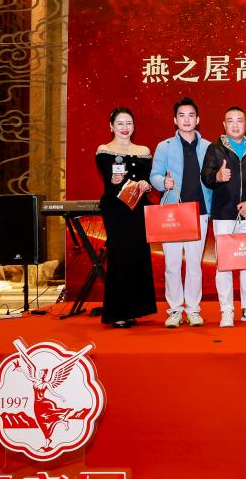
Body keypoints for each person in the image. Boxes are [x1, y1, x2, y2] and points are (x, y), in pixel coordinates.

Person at [150, 97, 213, 328]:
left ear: (198, 119)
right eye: (182, 115)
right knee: (172, 265)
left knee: (195, 265)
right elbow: (154, 175)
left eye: (191, 115)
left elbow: (213, 179)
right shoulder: (164, 146)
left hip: (199, 212)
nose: (186, 120)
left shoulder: (209, 147)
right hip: (172, 214)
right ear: (175, 120)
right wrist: (162, 183)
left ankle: (193, 310)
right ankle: (175, 310)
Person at [200, 107, 246, 327]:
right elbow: (206, 176)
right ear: (224, 125)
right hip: (224, 214)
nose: (235, 125)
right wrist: (217, 176)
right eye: (230, 121)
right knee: (224, 265)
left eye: (239, 120)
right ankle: (226, 310)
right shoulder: (214, 148)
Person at [94, 108, 157, 328]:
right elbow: (108, 178)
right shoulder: (104, 150)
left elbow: (148, 180)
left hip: (137, 209)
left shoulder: (143, 151)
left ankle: (134, 310)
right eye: (120, 123)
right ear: (111, 126)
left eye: (128, 123)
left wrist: (146, 185)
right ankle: (117, 312)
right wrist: (114, 179)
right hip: (116, 210)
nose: (124, 127)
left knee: (137, 255)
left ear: (134, 126)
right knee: (119, 257)